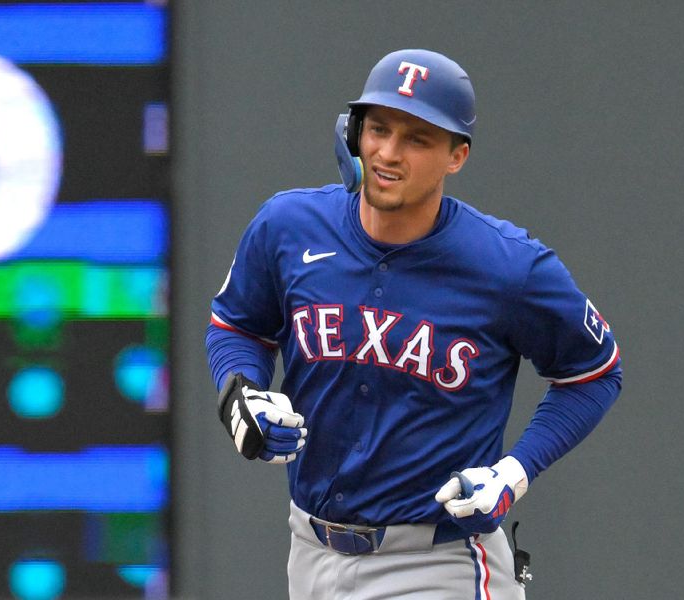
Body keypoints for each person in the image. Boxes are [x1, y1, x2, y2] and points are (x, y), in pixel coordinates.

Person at [205, 48, 621, 600]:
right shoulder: (288, 226)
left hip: (439, 563)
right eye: (378, 128)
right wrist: (243, 394)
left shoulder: (509, 266)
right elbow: (238, 326)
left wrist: (512, 473)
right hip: (308, 552)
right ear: (354, 132)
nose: (389, 153)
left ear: (457, 156)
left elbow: (594, 373)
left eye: (417, 138)